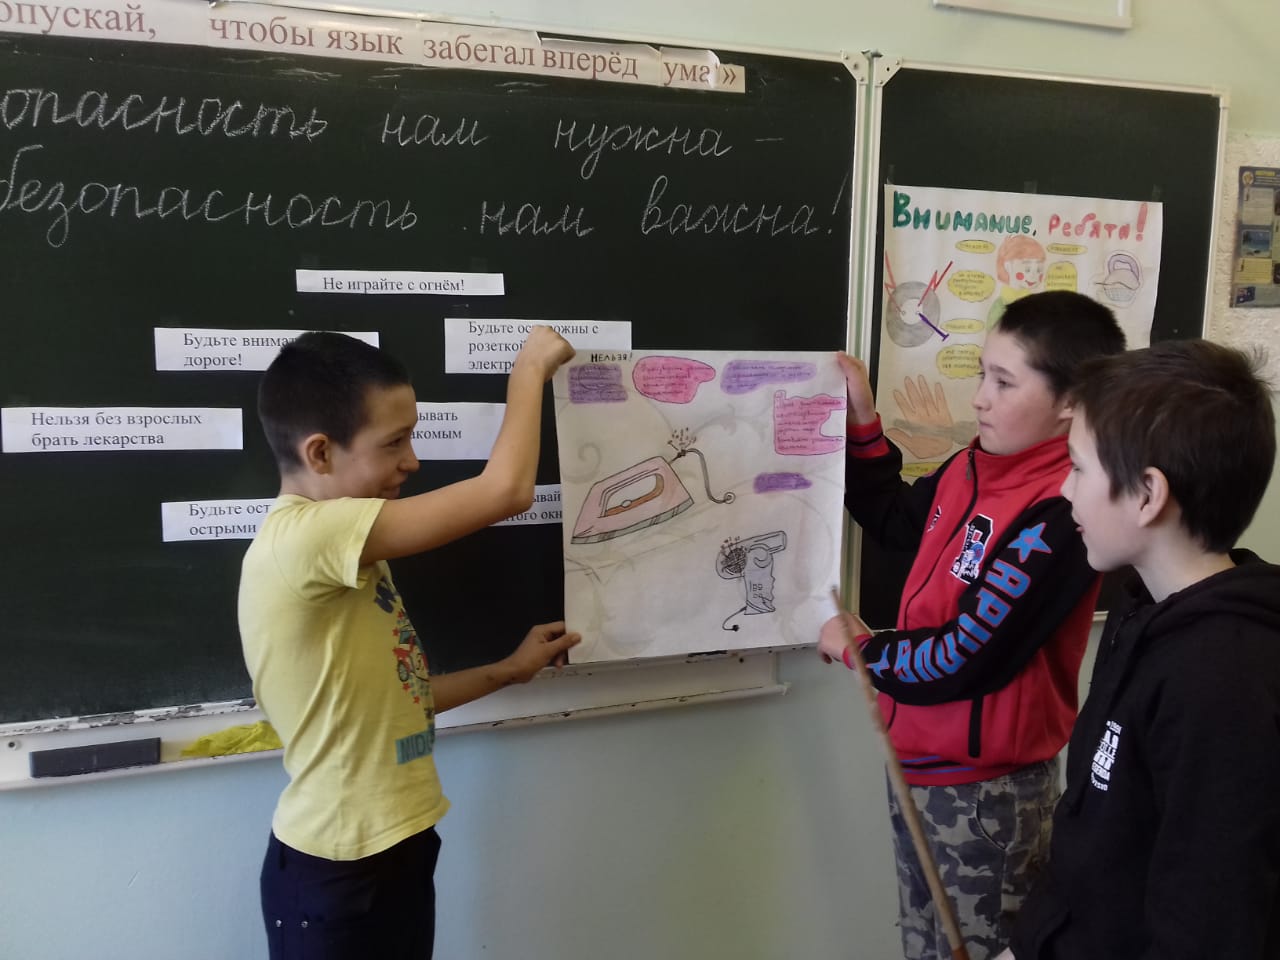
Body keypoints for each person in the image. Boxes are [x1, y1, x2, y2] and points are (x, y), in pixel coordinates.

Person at [239, 327, 579, 960]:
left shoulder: (349, 555)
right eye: (394, 442)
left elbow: (403, 699)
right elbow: (506, 491)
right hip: (339, 868)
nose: (413, 460)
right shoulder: (307, 537)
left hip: (395, 846)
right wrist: (530, 368)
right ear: (320, 453)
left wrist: (509, 670)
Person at [819, 290, 1126, 960]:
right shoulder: (973, 465)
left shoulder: (1061, 510)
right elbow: (894, 519)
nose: (980, 399)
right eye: (982, 374)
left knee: (983, 949)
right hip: (920, 767)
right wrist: (863, 421)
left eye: (1004, 383)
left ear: (1072, 402)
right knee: (928, 947)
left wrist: (862, 651)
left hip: (988, 794)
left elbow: (965, 656)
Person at [1004, 340, 1280, 960]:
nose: (1065, 491)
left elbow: (1206, 927)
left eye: (1078, 468)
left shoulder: (1223, 683)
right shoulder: (1142, 610)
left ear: (1147, 495)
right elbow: (1089, 844)